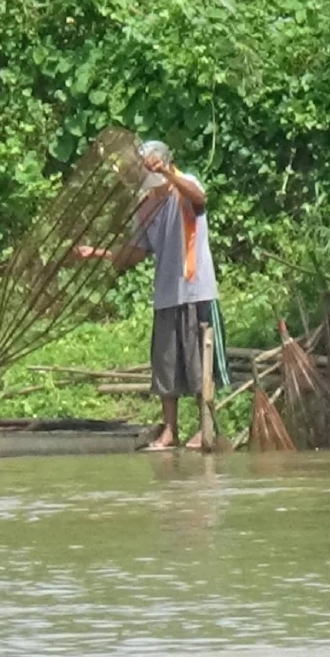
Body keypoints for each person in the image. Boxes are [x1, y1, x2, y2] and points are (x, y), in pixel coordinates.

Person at [71, 139, 229, 450]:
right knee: (166, 366)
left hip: (197, 290)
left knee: (200, 364)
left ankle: (204, 428)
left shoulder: (185, 187)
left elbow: (199, 198)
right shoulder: (145, 209)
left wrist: (169, 173)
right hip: (167, 294)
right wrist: (96, 254)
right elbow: (134, 255)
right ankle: (170, 431)